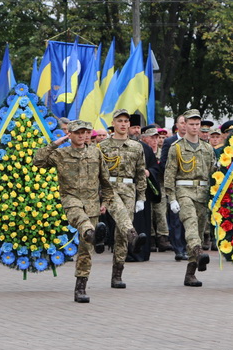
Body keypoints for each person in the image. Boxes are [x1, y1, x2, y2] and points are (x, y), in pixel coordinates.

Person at [34, 119, 111, 303]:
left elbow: (105, 180)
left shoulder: (95, 152)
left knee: (86, 251)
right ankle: (92, 234)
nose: (82, 136)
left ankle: (81, 287)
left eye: (85, 132)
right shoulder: (61, 154)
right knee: (81, 220)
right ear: (70, 134)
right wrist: (57, 142)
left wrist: (106, 201)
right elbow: (38, 161)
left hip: (92, 203)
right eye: (77, 133)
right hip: (71, 199)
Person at [97, 110, 148, 287]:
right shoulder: (103, 146)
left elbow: (141, 173)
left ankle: (117, 273)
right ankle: (134, 235)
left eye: (126, 121)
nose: (124, 124)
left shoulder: (136, 147)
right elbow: (97, 173)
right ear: (113, 123)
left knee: (121, 233)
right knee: (123, 218)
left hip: (128, 189)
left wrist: (141, 197)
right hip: (109, 189)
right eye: (120, 121)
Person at [163, 109, 213, 287]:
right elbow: (169, 174)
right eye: (191, 123)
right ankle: (199, 253)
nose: (194, 127)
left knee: (198, 231)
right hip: (184, 192)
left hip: (202, 194)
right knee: (190, 223)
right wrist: (172, 197)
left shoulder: (207, 148)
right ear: (184, 125)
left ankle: (190, 273)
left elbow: (212, 173)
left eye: (197, 124)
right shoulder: (176, 147)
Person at [159, 113, 188, 261]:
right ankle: (179, 249)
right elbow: (163, 163)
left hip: (189, 187)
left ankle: (187, 247)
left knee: (188, 218)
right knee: (175, 219)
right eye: (182, 123)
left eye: (186, 122)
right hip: (174, 185)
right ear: (177, 125)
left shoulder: (193, 141)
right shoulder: (169, 142)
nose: (184, 125)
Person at [142, 126, 172, 253]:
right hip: (145, 186)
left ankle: (163, 237)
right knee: (148, 213)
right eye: (151, 138)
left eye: (156, 138)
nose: (155, 140)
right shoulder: (142, 152)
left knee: (160, 212)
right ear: (144, 139)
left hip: (160, 186)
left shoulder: (162, 152)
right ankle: (152, 238)